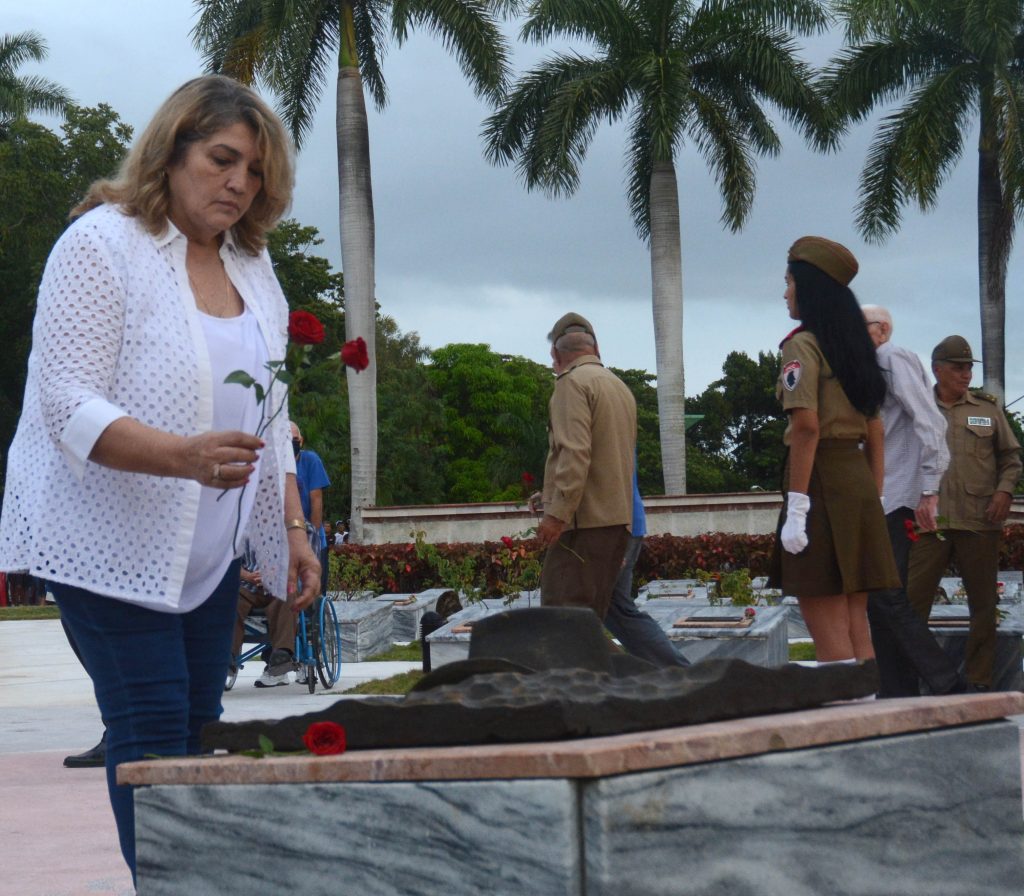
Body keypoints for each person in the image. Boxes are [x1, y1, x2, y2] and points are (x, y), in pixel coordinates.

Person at [0, 75, 321, 880]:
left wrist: (290, 528)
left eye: (254, 170)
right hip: (103, 538)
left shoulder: (254, 266)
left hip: (205, 553)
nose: (239, 183)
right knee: (148, 726)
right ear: (171, 150)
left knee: (197, 723)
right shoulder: (102, 244)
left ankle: (190, 880)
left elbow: (270, 415)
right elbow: (64, 402)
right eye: (222, 159)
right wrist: (180, 456)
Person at [768, 236, 899, 668]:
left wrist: (798, 505)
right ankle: (869, 720)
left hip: (819, 480)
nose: (784, 291)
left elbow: (806, 427)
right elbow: (875, 428)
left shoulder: (801, 346)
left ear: (809, 287)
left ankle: (845, 718)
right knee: (855, 621)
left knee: (824, 619)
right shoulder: (856, 347)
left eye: (788, 282)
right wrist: (876, 495)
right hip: (858, 480)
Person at [906, 335, 1022, 690]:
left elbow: (1011, 458)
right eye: (958, 367)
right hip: (930, 523)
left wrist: (1004, 491)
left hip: (979, 520)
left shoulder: (988, 410)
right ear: (937, 370)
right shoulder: (917, 409)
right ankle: (911, 678)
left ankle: (979, 681)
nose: (966, 374)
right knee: (910, 607)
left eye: (969, 368)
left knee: (984, 608)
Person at [860, 305, 964, 696]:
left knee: (887, 596)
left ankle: (949, 684)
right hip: (882, 497)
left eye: (861, 327)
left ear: (882, 329)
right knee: (879, 601)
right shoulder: (870, 366)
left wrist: (929, 489)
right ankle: (897, 692)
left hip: (898, 495)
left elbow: (931, 422)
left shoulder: (891, 357)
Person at [536, 312, 636, 618]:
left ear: (555, 353)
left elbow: (575, 453)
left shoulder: (571, 384)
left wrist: (556, 515)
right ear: (595, 348)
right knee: (588, 622)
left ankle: (624, 669)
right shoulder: (617, 385)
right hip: (616, 523)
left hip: (584, 525)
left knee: (562, 620)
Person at [603, 468, 690, 667]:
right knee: (617, 609)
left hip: (615, 526)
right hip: (623, 524)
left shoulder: (612, 435)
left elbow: (610, 476)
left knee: (578, 608)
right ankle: (677, 673)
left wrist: (615, 539)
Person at [232, 541, 297, 688]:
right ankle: (227, 654)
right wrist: (247, 575)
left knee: (288, 595)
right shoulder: (242, 528)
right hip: (249, 585)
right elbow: (230, 562)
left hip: (280, 585)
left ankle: (282, 653)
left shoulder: (295, 529)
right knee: (230, 599)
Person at [292, 421, 330, 593]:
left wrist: (312, 537)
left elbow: (316, 501)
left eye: (295, 439)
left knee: (315, 590)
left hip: (311, 534)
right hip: (287, 537)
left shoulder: (310, 460)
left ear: (301, 441)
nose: (292, 444)